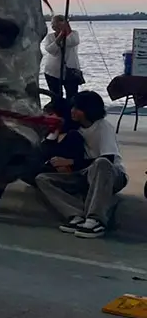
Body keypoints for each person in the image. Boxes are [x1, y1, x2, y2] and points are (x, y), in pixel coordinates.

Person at [36, 91, 126, 238]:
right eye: (72, 107)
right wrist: (55, 132)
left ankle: (96, 220)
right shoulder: (75, 129)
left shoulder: (103, 127)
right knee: (43, 179)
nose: (72, 111)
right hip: (84, 174)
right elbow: (47, 150)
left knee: (101, 163)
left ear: (88, 110)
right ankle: (76, 215)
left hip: (110, 175)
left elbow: (108, 159)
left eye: (76, 108)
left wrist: (71, 162)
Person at [42, 14, 82, 104]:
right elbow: (51, 50)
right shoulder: (50, 37)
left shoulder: (74, 34)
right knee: (56, 97)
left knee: (72, 97)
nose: (55, 27)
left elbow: (72, 42)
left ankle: (70, 114)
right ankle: (58, 113)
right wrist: (60, 36)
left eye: (59, 24)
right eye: (53, 25)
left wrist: (66, 31)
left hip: (71, 71)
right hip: (52, 72)